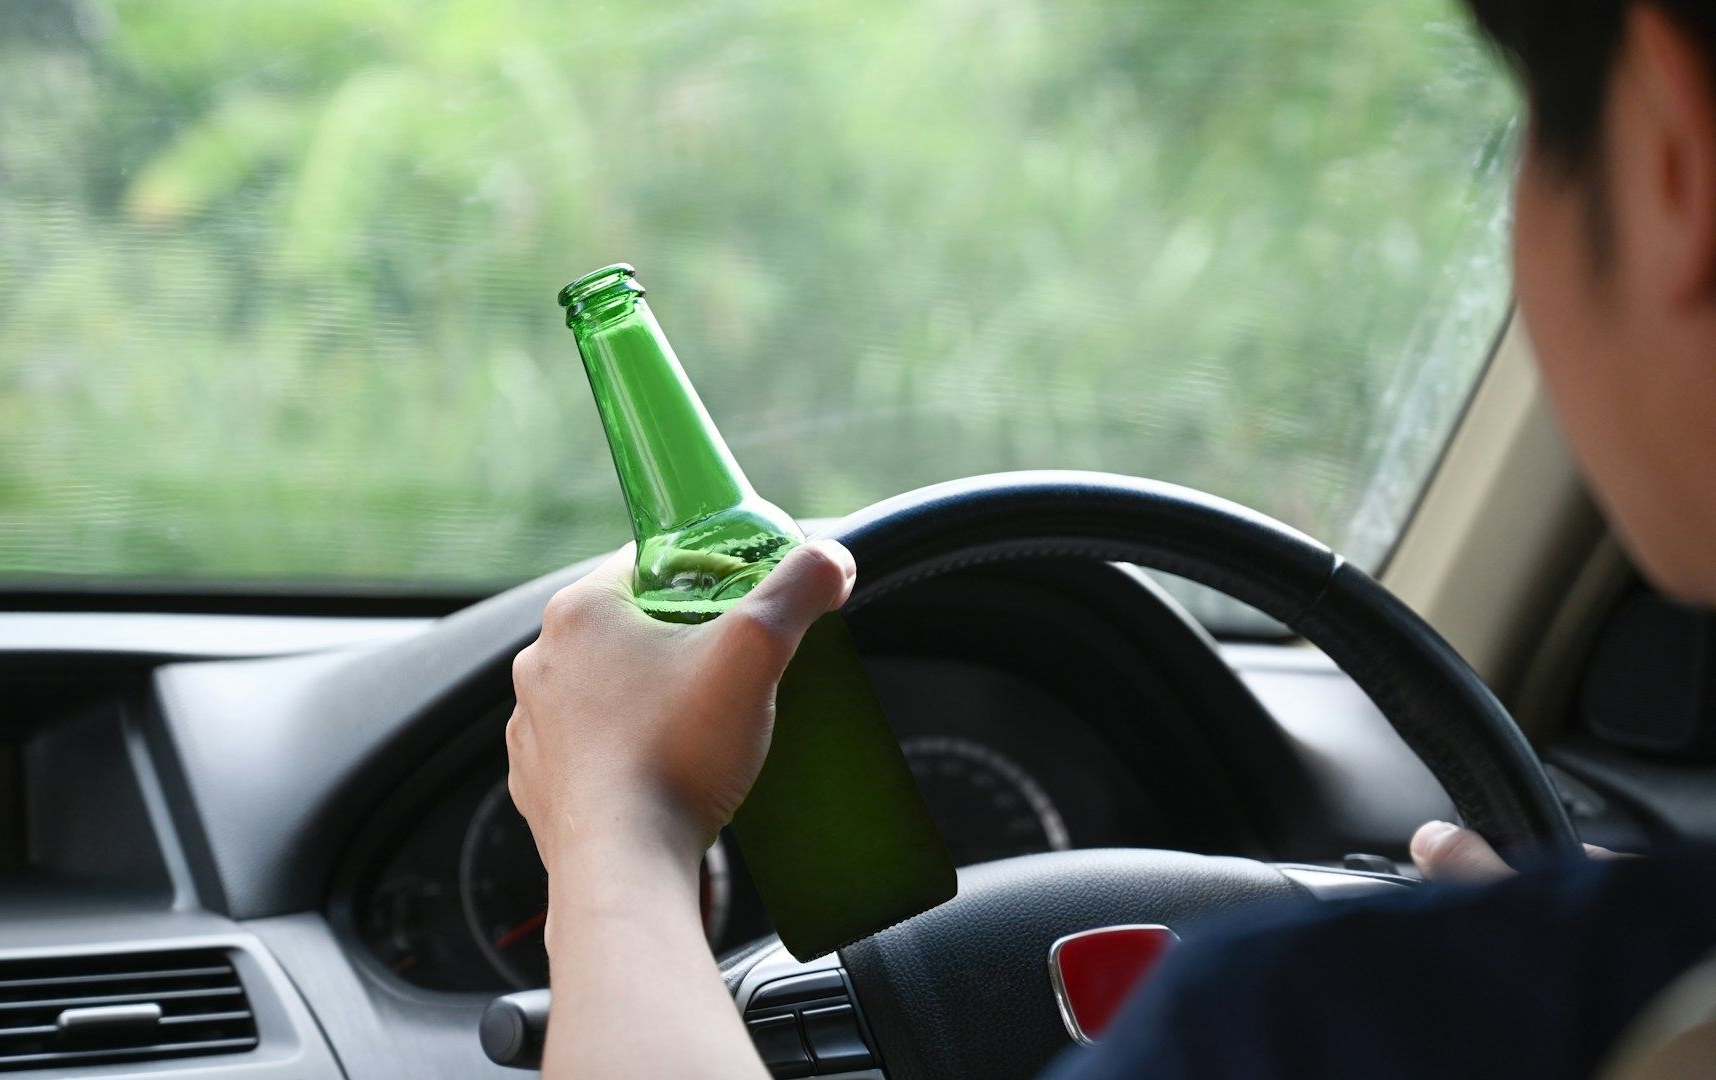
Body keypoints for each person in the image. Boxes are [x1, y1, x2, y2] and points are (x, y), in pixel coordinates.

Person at [502, 0, 1716, 1075]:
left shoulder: (1292, 1026)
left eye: (1531, 127)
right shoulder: (1610, 987)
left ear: (1674, 154)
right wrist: (1564, 965)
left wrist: (615, 828)